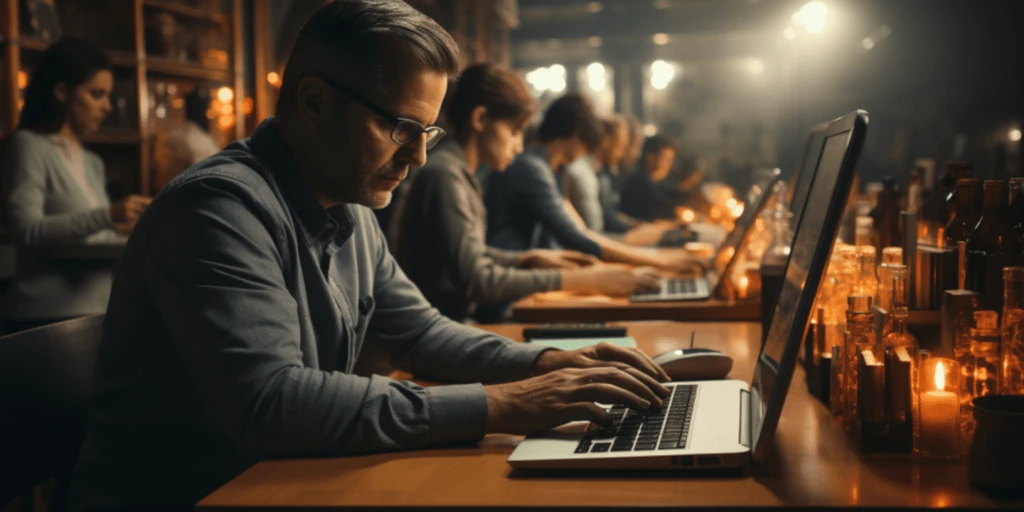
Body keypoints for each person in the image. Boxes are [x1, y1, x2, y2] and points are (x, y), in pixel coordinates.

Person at [68, 2, 670, 509]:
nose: (419, 158)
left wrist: (546, 365)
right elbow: (271, 402)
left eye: (428, 133)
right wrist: (502, 404)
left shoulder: (349, 204)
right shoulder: (217, 208)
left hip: (275, 483)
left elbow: (422, 333)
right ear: (313, 102)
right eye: (401, 127)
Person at [391, 64, 660, 322]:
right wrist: (584, 279)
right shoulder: (445, 174)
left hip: (456, 322)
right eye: (515, 131)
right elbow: (476, 281)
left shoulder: (459, 172)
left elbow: (469, 254)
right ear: (481, 119)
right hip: (445, 327)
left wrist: (527, 259)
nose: (519, 147)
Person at [0, 38, 151, 335]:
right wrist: (108, 215)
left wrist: (132, 228)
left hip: (98, 313)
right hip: (44, 319)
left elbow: (90, 235)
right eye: (96, 94)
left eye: (108, 96)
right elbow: (26, 230)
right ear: (61, 92)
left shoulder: (91, 161)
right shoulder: (28, 145)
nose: (106, 107)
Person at [484, 94, 699, 272]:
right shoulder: (531, 169)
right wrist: (663, 262)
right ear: (576, 136)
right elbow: (576, 237)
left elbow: (581, 231)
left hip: (528, 276)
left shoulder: (549, 170)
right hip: (509, 285)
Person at [620, 134, 691, 222]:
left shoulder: (658, 183)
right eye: (665, 158)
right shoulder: (639, 182)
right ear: (650, 157)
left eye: (671, 160)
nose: (668, 164)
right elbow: (660, 206)